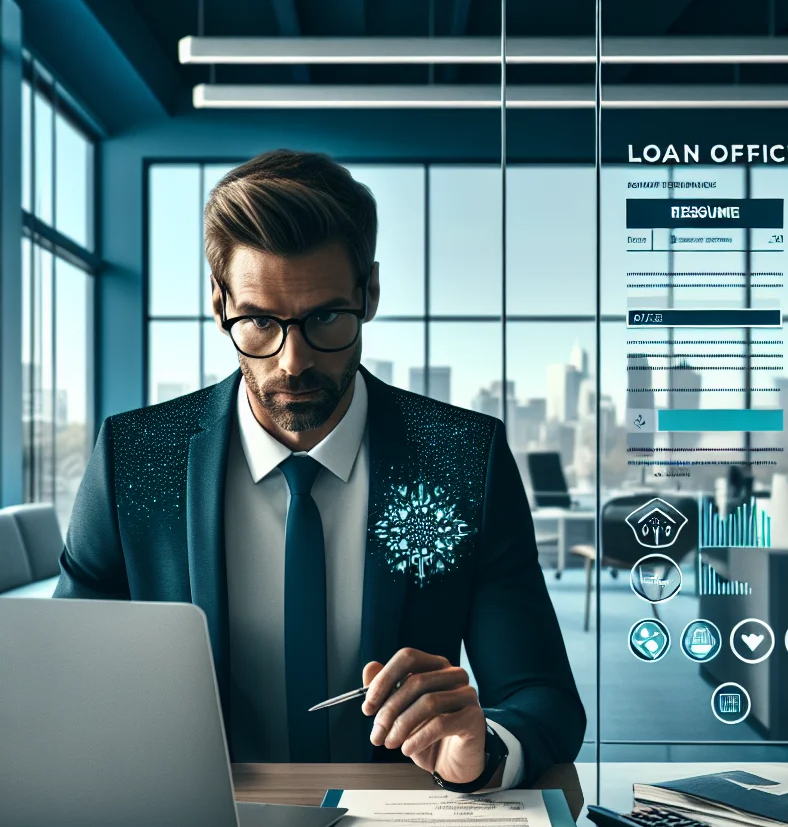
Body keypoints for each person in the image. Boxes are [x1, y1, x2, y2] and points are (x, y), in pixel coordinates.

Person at [55, 149, 585, 791]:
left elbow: (543, 698)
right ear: (220, 303)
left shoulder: (463, 458)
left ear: (371, 292)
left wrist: (485, 749)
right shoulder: (134, 458)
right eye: (258, 321)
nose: (292, 361)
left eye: (326, 318)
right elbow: (67, 691)